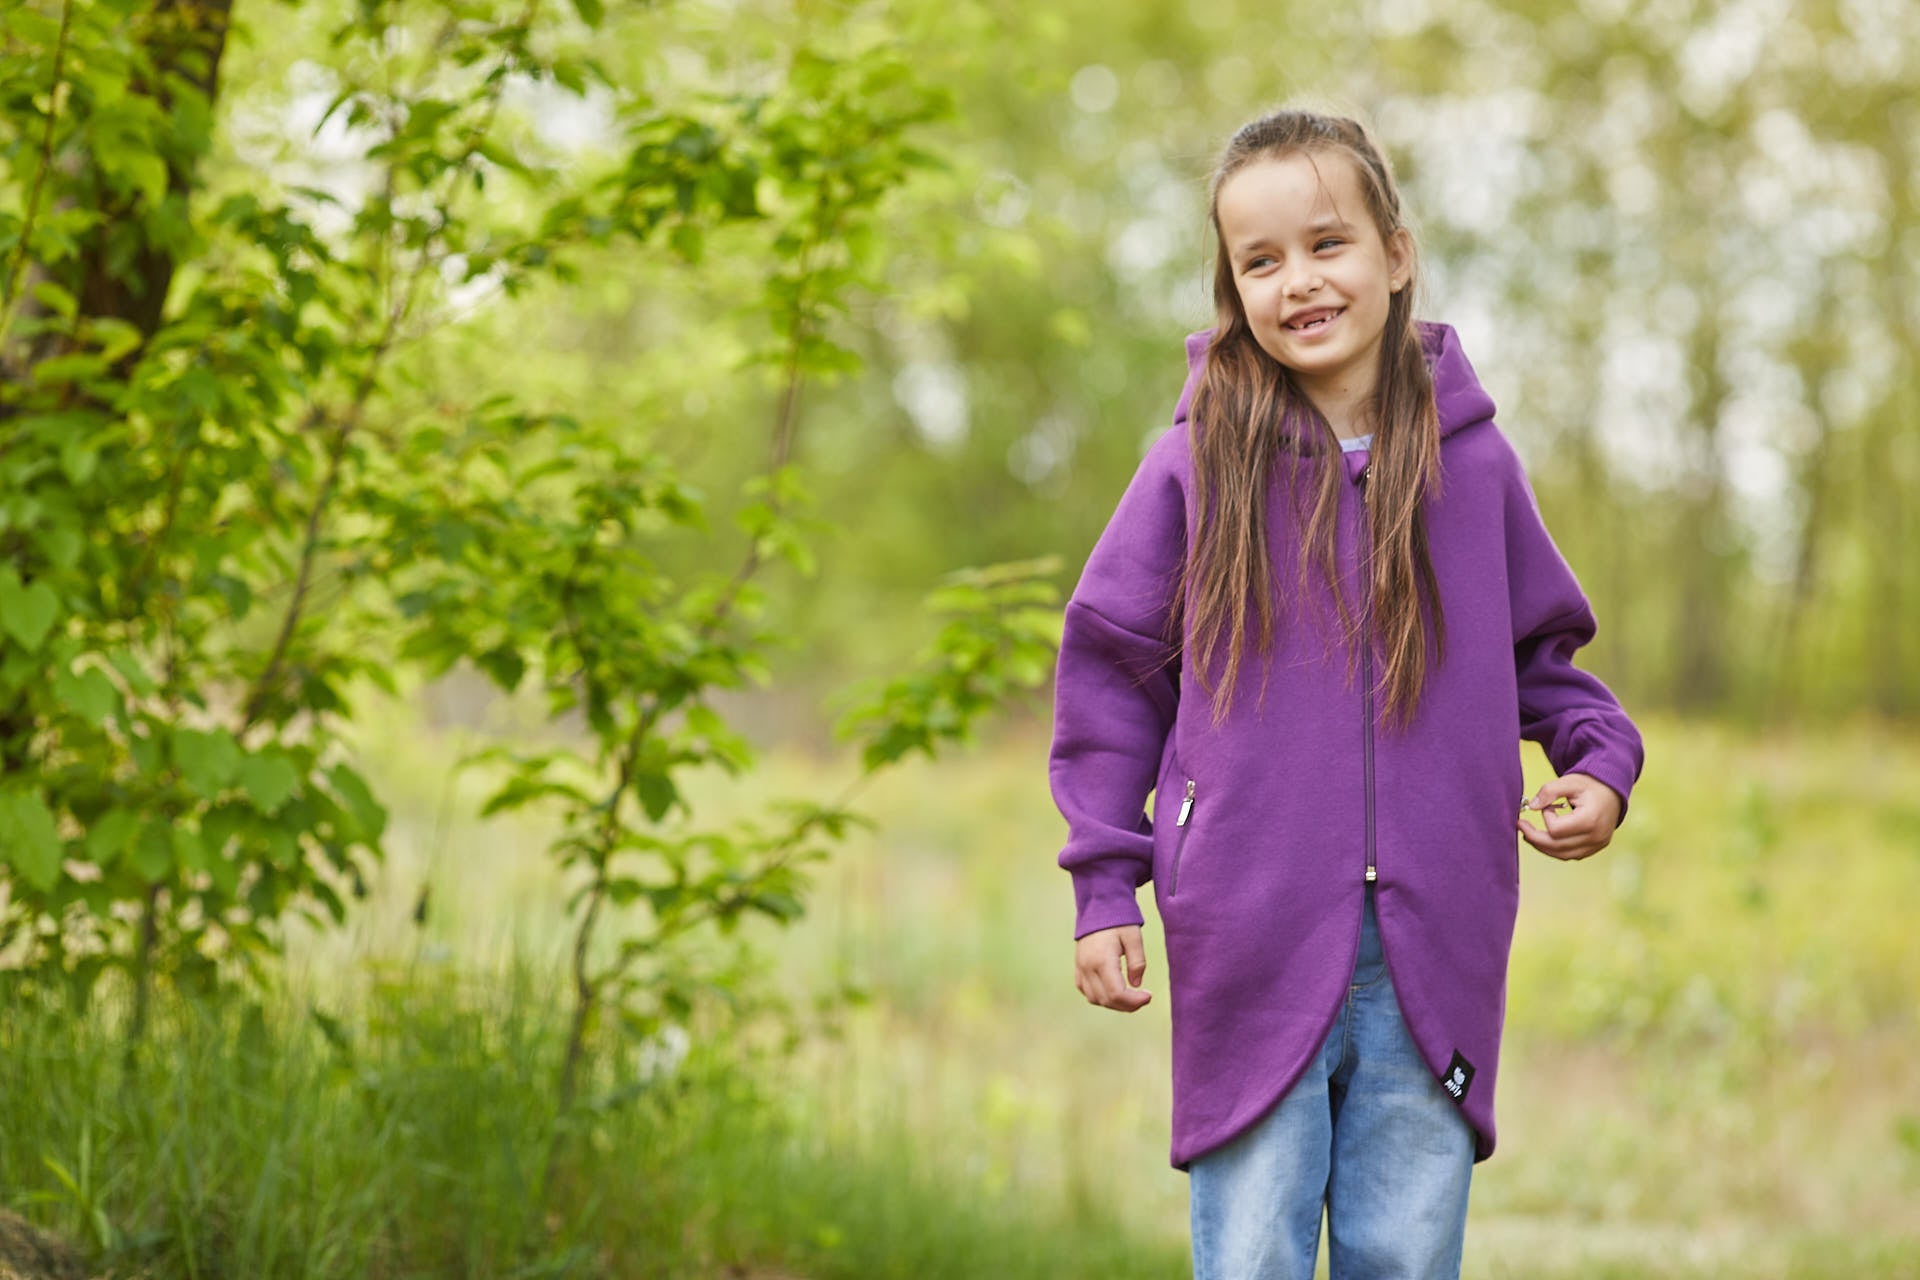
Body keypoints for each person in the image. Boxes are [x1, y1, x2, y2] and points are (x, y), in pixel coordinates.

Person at [1046, 106, 1646, 1280]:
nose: (1297, 281)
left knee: (1405, 1256)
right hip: (1249, 940)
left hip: (1438, 950)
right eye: (1259, 260)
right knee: (1253, 1252)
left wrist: (1599, 764)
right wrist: (1103, 885)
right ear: (1232, 286)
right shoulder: (1192, 463)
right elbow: (1113, 674)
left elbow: (1546, 664)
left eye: (1327, 243)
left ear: (1397, 255)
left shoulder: (1474, 467)